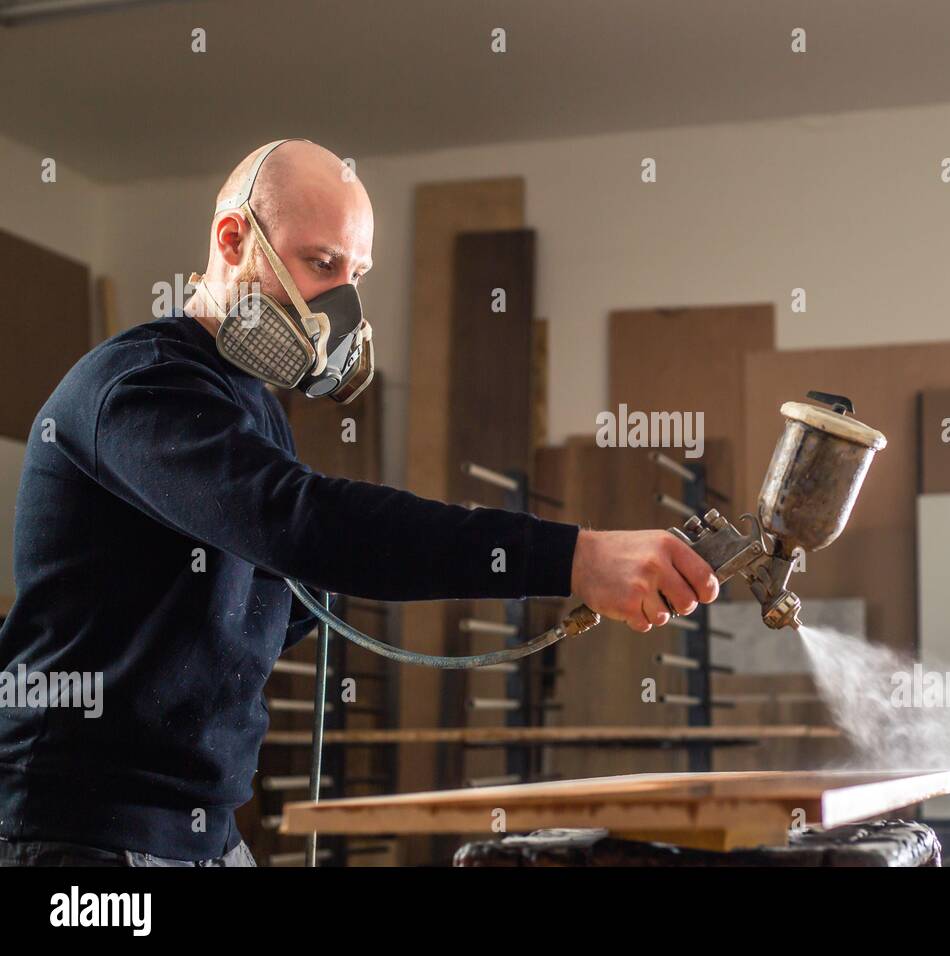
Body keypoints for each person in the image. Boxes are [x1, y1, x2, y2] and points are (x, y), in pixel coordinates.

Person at [0, 139, 718, 867]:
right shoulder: (141, 387)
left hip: (204, 834)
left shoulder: (249, 410)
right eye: (321, 264)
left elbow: (273, 593)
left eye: (356, 272)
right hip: (82, 836)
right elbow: (303, 523)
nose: (343, 299)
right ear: (233, 238)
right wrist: (575, 557)